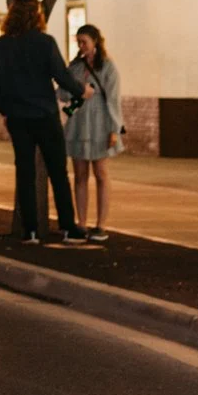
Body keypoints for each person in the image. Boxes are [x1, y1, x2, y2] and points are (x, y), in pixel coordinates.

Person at [0, 0, 89, 244]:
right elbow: (61, 75)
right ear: (37, 15)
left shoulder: (1, 45)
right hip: (44, 114)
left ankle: (30, 230)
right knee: (57, 171)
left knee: (25, 172)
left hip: (17, 117)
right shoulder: (45, 43)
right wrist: (82, 90)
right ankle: (67, 226)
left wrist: (4, 108)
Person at [66, 24, 125, 241]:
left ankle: (101, 224)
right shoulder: (75, 67)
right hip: (79, 123)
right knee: (80, 175)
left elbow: (114, 99)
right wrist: (75, 87)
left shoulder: (108, 67)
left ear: (95, 42)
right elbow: (63, 92)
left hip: (101, 123)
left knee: (101, 174)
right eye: (78, 42)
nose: (81, 46)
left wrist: (114, 129)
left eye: (84, 42)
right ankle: (81, 223)